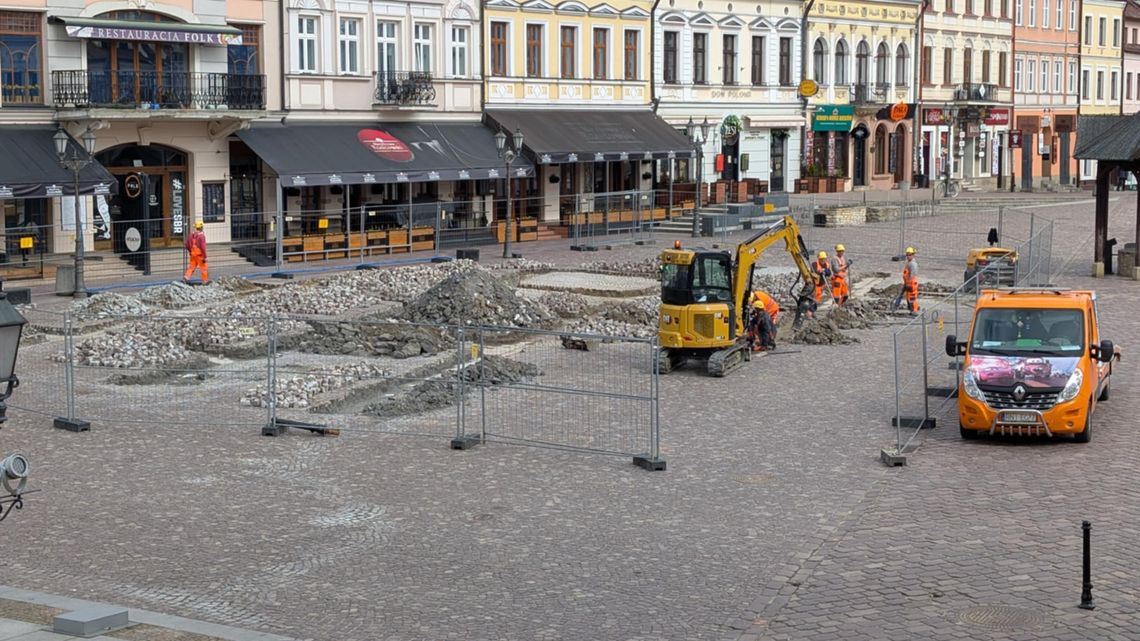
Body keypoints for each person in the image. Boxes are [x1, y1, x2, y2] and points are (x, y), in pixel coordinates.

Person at [901, 246, 919, 315]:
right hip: (908, 283)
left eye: (910, 255)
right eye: (907, 255)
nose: (908, 256)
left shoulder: (913, 264)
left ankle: (915, 311)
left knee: (912, 298)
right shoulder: (909, 263)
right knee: (908, 298)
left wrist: (909, 284)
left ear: (913, 255)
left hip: (912, 284)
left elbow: (913, 274)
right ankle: (911, 310)